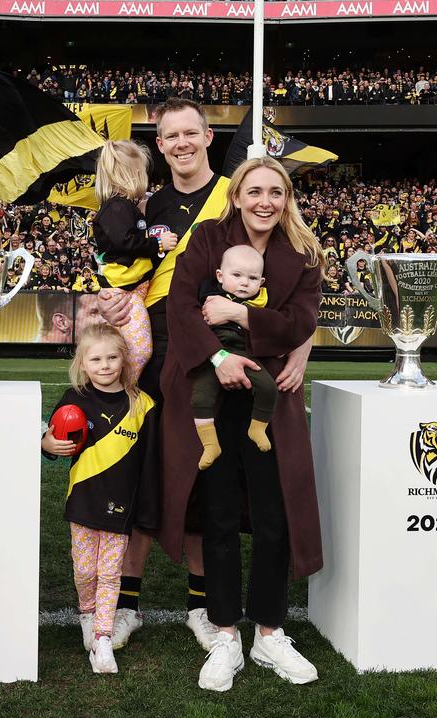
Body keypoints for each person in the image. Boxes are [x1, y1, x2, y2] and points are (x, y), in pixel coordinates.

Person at [98, 99, 311, 652]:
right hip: (160, 345)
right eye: (171, 135)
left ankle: (202, 605)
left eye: (191, 132)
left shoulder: (234, 195)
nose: (182, 142)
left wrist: (302, 348)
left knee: (206, 479)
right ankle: (126, 603)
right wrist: (111, 295)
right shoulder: (144, 206)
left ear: (209, 135)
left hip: (223, 344)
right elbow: (125, 274)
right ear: (160, 144)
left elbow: (299, 281)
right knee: (144, 475)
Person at [163, 157, 323, 692]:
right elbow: (181, 305)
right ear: (237, 196)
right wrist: (217, 358)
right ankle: (226, 632)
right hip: (212, 395)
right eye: (254, 191)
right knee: (220, 514)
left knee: (275, 513)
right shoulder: (208, 237)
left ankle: (270, 632)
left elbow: (299, 322)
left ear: (286, 198)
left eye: (275, 192)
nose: (265, 202)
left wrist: (238, 317)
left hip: (271, 398)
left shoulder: (301, 252)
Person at [41, 323, 158, 674]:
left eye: (111, 357)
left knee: (109, 572)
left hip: (121, 505)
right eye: (96, 359)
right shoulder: (74, 398)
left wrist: (148, 506)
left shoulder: (142, 404)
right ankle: (88, 616)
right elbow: (52, 438)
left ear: (124, 360)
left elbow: (152, 460)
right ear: (82, 364)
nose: (104, 365)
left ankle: (103, 638)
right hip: (83, 500)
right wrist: (46, 443)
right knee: (84, 570)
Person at [190, 245, 276, 470]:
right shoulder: (209, 292)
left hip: (244, 353)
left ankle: (257, 427)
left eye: (252, 278)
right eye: (236, 275)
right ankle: (210, 444)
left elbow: (273, 324)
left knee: (268, 387)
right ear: (220, 275)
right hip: (212, 353)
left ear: (262, 282)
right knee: (200, 398)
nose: (244, 283)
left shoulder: (261, 300)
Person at [91, 140, 165, 380]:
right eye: (142, 171)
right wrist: (158, 244)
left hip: (130, 289)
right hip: (125, 292)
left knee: (127, 346)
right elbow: (125, 241)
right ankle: (127, 389)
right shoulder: (117, 207)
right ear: (132, 174)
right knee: (140, 350)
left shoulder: (123, 207)